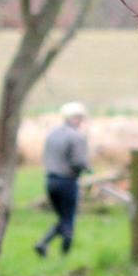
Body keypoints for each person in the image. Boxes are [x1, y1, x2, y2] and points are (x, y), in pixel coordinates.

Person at [35, 101, 90, 257]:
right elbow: (78, 162)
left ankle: (43, 243)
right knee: (68, 219)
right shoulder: (76, 137)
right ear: (73, 118)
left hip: (50, 181)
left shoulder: (52, 134)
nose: (81, 121)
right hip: (67, 181)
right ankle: (64, 255)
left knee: (63, 218)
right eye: (79, 117)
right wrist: (86, 168)